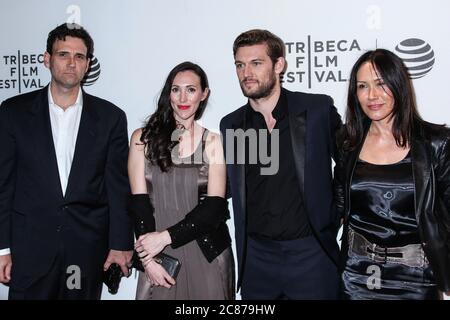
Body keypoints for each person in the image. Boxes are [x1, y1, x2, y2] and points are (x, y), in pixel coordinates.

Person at [0, 23, 133, 299]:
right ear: (47, 59)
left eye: (79, 57)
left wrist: (120, 243)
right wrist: (2, 248)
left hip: (85, 252)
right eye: (63, 54)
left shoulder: (111, 118)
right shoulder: (13, 113)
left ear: (87, 65)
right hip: (29, 250)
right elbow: (4, 185)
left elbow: (117, 188)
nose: (71, 63)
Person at [219, 29, 342, 299]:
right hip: (257, 260)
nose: (246, 72)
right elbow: (228, 186)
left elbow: (350, 168)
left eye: (256, 63)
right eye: (240, 64)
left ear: (279, 65)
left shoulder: (316, 110)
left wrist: (333, 217)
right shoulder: (232, 125)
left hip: (311, 254)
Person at [334, 48, 450, 299]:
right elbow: (338, 209)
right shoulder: (348, 142)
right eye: (362, 86)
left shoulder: (436, 143)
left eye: (381, 84)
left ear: (398, 85)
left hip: (416, 278)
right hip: (355, 274)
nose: (372, 95)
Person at [128, 61, 235, 300]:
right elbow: (139, 204)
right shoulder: (141, 139)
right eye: (176, 89)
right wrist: (148, 260)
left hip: (206, 253)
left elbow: (214, 207)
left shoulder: (213, 142)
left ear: (204, 94)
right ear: (169, 93)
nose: (182, 97)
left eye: (191, 89)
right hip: (159, 259)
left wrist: (163, 238)